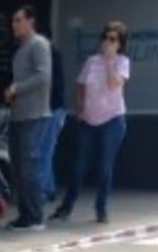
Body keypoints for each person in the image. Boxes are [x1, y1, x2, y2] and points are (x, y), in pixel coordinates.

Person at [50, 20, 130, 224]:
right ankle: (66, 207)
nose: (107, 42)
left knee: (105, 165)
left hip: (112, 119)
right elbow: (80, 86)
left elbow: (114, 84)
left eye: (112, 39)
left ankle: (101, 208)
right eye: (105, 38)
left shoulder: (122, 62)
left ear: (120, 43)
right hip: (88, 119)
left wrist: (110, 60)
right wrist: (79, 108)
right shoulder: (91, 61)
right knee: (78, 165)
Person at [4, 5, 52, 231]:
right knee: (18, 167)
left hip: (34, 116)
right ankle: (24, 215)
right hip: (18, 115)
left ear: (30, 22)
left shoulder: (39, 44)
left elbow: (44, 76)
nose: (14, 25)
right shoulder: (21, 48)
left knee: (29, 167)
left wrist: (17, 88)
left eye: (18, 20)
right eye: (13, 21)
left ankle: (35, 216)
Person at [38, 31, 67, 203]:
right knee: (46, 150)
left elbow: (53, 84)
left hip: (52, 109)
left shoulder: (51, 56)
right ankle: (49, 187)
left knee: (44, 151)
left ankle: (42, 189)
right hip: (52, 109)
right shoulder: (51, 55)